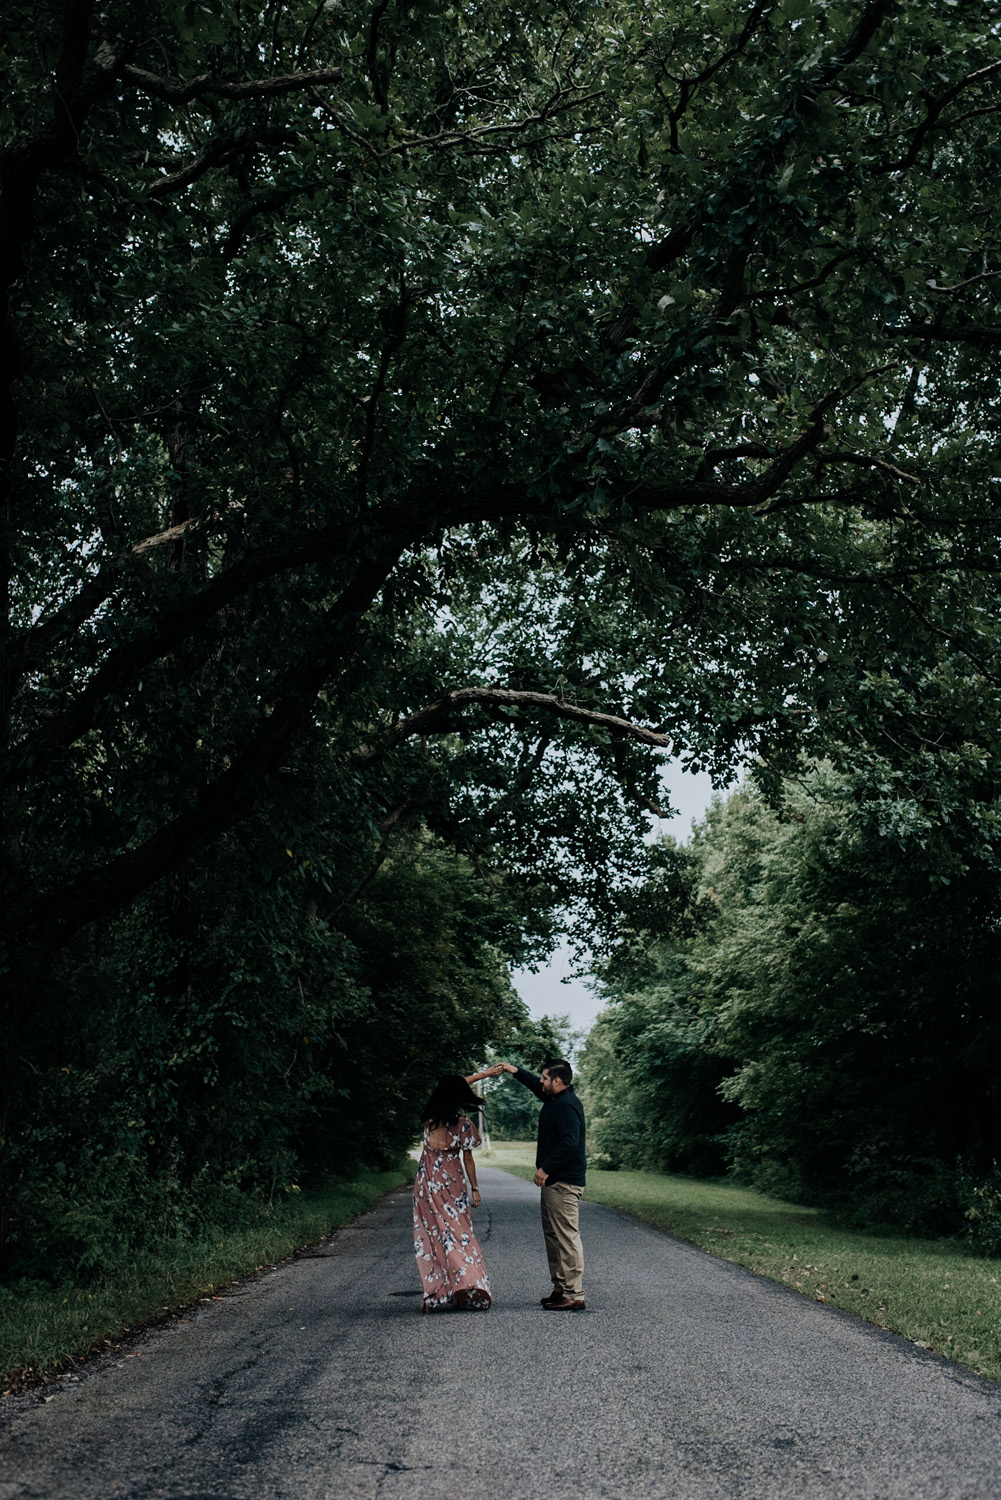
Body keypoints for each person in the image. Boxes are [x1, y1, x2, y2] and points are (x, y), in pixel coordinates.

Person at [496, 1057, 587, 1310]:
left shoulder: (567, 1105)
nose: (541, 1081)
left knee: (567, 1237)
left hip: (564, 1182)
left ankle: (574, 1294)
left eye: (545, 1078)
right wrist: (514, 1071)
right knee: (553, 1236)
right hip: (554, 1183)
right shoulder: (555, 1098)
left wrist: (545, 1169)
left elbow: (570, 1142)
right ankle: (560, 1288)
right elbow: (536, 1086)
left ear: (557, 1081)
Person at [413, 1070, 497, 1312]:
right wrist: (476, 1188)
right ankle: (463, 1289)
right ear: (459, 1096)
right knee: (459, 1235)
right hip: (452, 1183)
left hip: (427, 1183)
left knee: (432, 1237)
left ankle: (434, 1294)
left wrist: (481, 1075)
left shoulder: (428, 1118)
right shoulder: (463, 1124)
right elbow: (468, 1160)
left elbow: (446, 1088)